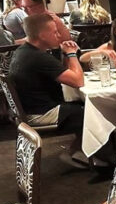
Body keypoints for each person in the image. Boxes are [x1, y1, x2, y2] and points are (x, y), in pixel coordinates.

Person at [9, 13, 86, 167]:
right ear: (42, 35)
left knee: (81, 105)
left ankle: (79, 151)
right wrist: (71, 53)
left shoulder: (24, 51)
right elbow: (78, 81)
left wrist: (64, 54)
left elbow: (63, 72)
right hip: (40, 113)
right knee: (91, 112)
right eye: (55, 32)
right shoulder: (37, 57)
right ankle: (93, 156)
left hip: (28, 109)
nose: (59, 36)